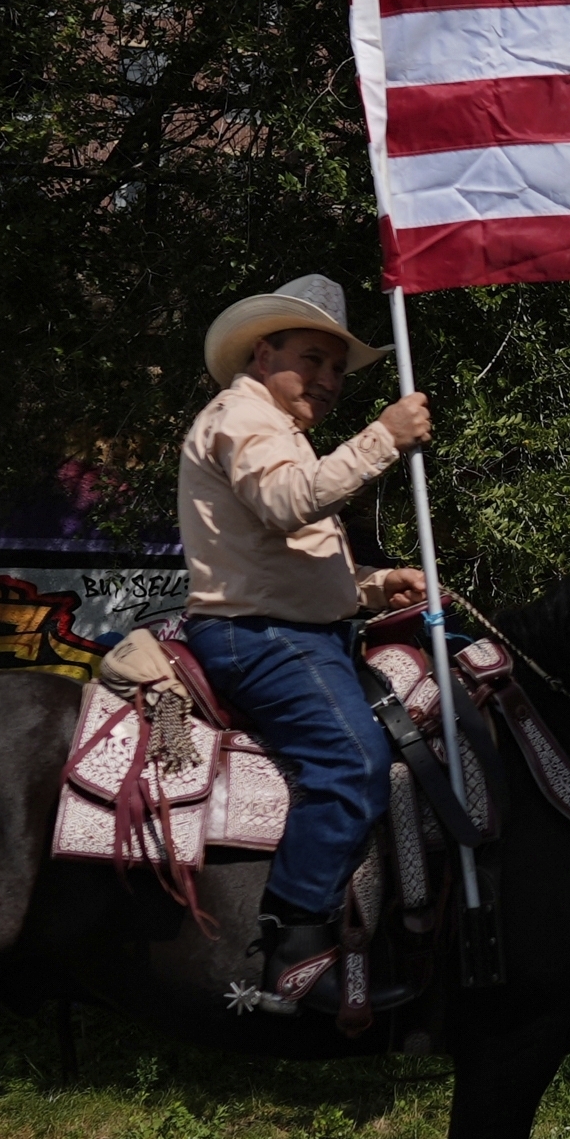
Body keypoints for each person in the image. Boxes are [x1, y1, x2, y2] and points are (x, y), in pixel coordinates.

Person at [179, 273, 432, 1012]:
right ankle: (291, 951)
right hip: (258, 638)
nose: (327, 379)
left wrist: (376, 587)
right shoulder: (244, 416)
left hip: (289, 630)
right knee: (353, 758)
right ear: (263, 353)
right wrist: (384, 435)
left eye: (336, 368)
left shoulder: (279, 433)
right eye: (311, 359)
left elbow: (288, 560)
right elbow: (289, 506)